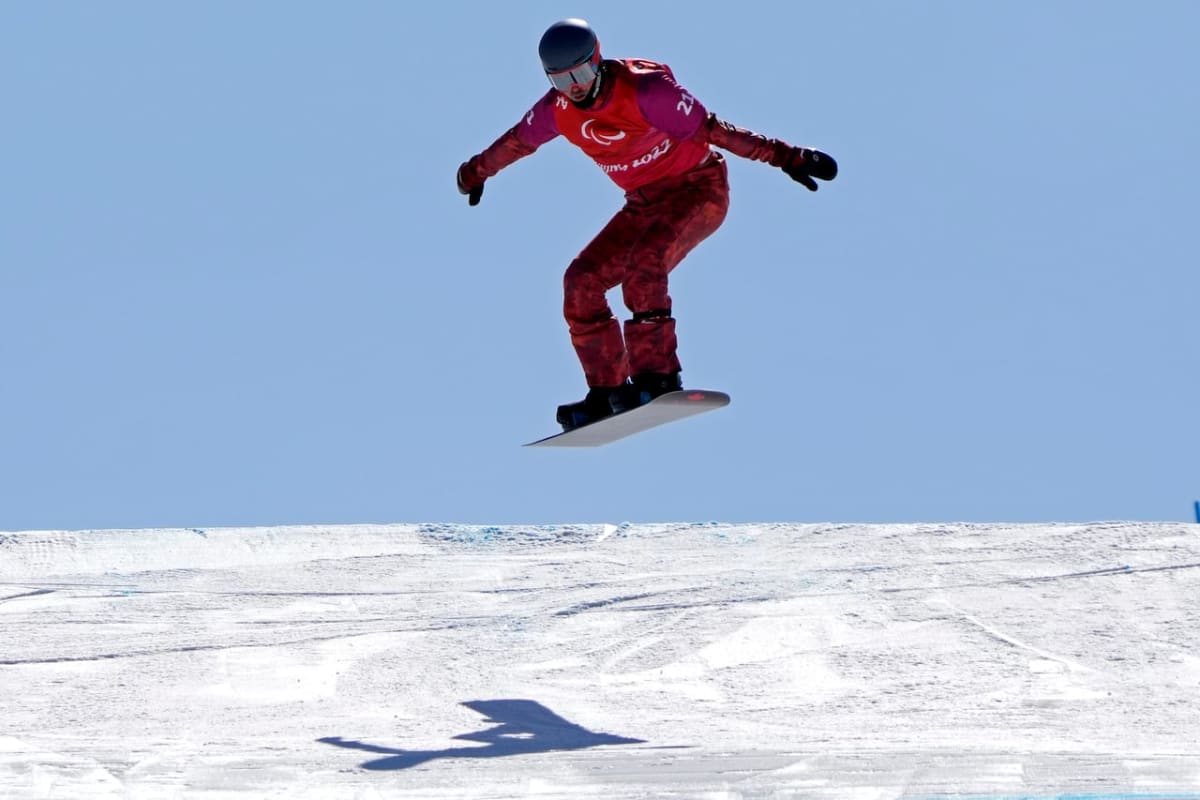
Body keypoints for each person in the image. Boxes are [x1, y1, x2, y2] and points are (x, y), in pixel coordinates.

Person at [456, 18, 837, 432]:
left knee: (645, 266)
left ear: (597, 60)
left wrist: (787, 157)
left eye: (581, 74)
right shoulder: (556, 110)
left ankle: (658, 377)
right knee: (581, 282)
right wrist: (475, 172)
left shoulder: (646, 91)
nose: (575, 88)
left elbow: (716, 131)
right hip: (643, 203)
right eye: (561, 80)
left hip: (697, 190)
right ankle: (607, 391)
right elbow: (516, 142)